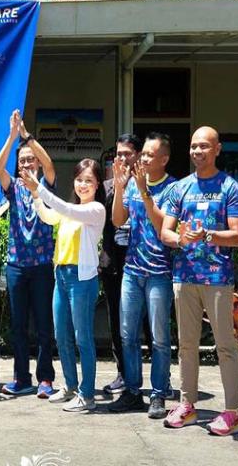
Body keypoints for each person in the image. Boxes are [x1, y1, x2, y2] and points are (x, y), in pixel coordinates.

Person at [161, 126, 238, 436]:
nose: (198, 151)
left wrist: (208, 235)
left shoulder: (230, 187)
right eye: (194, 146)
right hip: (184, 276)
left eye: (205, 146)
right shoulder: (180, 188)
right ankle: (187, 406)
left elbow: (237, 236)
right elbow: (166, 231)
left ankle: (233, 412)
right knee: (186, 345)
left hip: (218, 278)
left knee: (225, 346)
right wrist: (180, 240)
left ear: (217, 149)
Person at [20, 157, 106, 412]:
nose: (82, 185)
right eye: (79, 179)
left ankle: (87, 395)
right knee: (61, 336)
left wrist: (40, 189)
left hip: (82, 279)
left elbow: (63, 209)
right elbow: (48, 216)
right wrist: (36, 196)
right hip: (62, 276)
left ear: (97, 184)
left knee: (83, 338)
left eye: (88, 180)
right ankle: (70, 386)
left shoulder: (95, 210)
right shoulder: (70, 208)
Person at [108, 133, 177, 418]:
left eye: (150, 154)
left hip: (159, 272)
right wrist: (123, 188)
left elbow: (163, 228)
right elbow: (118, 220)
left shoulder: (174, 188)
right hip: (132, 271)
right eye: (143, 154)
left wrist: (143, 191)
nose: (144, 158)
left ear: (164, 158)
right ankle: (133, 392)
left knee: (160, 339)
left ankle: (159, 394)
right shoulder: (134, 183)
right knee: (127, 336)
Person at [0, 110, 56, 398]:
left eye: (30, 159)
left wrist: (26, 135)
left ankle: (46, 378)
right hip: (17, 265)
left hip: (43, 266)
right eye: (23, 161)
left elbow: (49, 163)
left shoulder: (46, 187)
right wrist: (11, 137)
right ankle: (21, 378)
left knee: (44, 325)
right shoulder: (13, 188)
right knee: (18, 326)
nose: (27, 163)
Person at [100, 134, 143, 395]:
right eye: (119, 154)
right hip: (113, 264)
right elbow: (103, 215)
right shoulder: (106, 186)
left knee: (147, 325)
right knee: (116, 321)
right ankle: (122, 373)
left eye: (128, 153)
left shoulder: (145, 185)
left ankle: (163, 377)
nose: (123, 158)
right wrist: (118, 185)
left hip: (142, 264)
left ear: (137, 155)